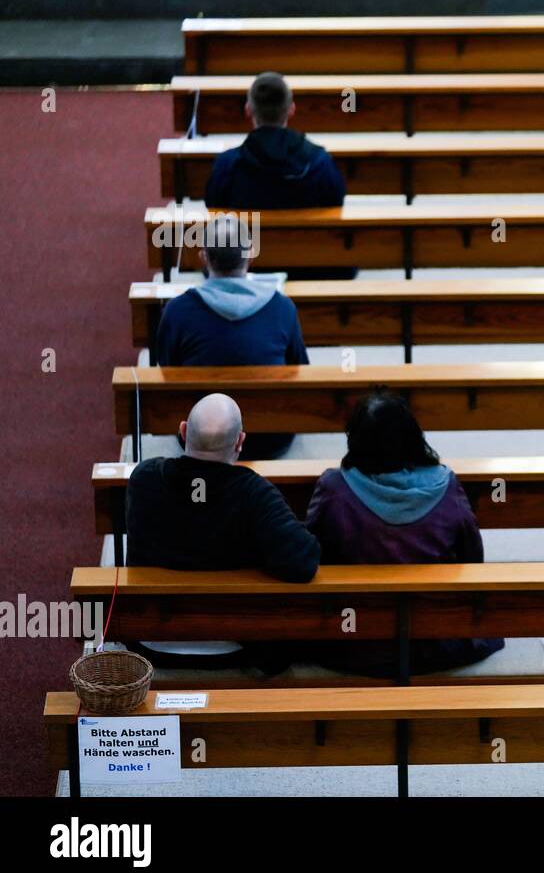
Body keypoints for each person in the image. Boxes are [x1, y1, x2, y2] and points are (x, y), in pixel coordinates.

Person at [304, 391, 503, 677]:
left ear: (355, 439)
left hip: (355, 639)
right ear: (412, 435)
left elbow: (310, 551)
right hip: (437, 639)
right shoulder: (446, 486)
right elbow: (472, 556)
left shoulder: (334, 488)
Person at [125, 394, 320, 671]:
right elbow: (303, 562)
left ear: (182, 432)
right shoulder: (255, 494)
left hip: (151, 638)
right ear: (240, 441)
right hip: (232, 643)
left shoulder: (144, 478)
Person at [155, 214, 308, 460]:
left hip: (202, 437)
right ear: (250, 255)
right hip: (271, 434)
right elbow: (299, 368)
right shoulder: (282, 307)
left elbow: (166, 367)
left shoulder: (177, 310)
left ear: (203, 258)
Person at [205, 71, 345, 210]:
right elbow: (336, 202)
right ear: (291, 109)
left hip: (250, 232)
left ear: (248, 109)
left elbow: (213, 205)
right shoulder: (319, 162)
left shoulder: (227, 165)